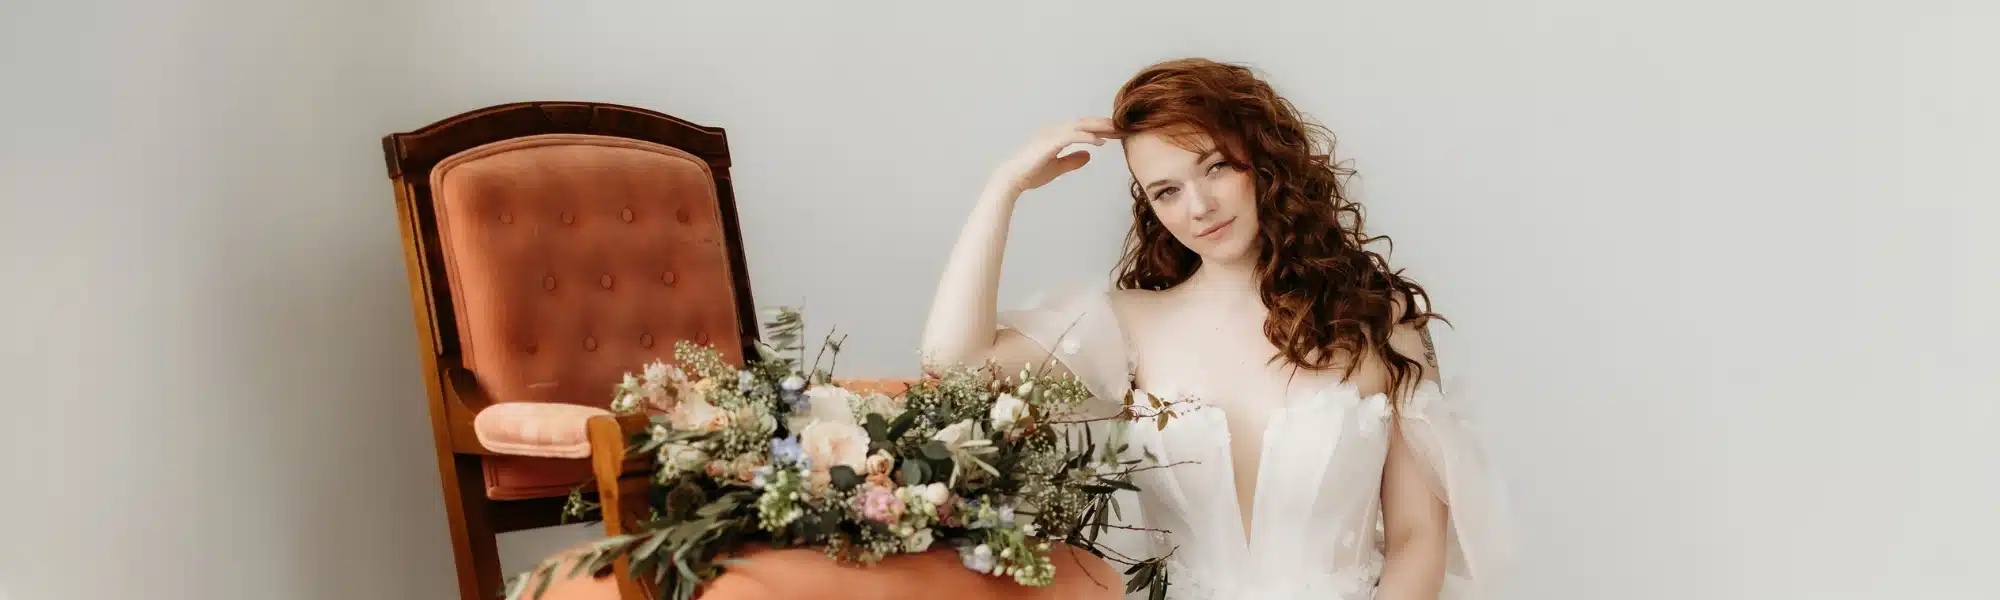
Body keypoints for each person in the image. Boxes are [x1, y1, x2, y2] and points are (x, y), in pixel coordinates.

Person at [918, 58, 1511, 599]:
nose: (1198, 207)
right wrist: (1005, 187)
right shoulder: (1127, 324)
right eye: (1167, 191)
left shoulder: (1379, 325)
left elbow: (1417, 539)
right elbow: (953, 364)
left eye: (1217, 167)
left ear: (1266, 158)